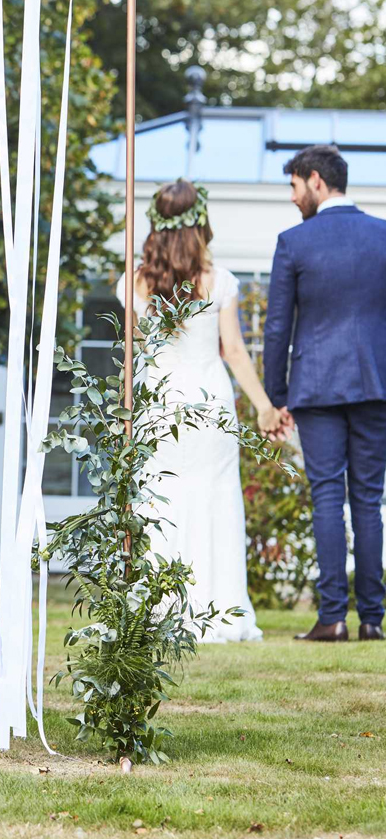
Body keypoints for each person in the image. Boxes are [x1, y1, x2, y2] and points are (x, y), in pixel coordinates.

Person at [117, 179, 280, 642]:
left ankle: (157, 607)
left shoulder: (135, 282)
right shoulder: (219, 280)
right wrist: (264, 407)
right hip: (209, 403)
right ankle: (219, 608)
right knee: (214, 498)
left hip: (159, 403)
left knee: (157, 498)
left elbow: (135, 354)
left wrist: (124, 413)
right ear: (201, 222)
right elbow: (233, 351)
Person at [264, 145, 386, 643]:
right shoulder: (383, 236)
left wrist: (276, 395)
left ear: (316, 180)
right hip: (377, 386)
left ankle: (333, 617)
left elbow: (276, 328)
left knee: (328, 495)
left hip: (315, 387)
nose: (292, 199)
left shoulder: (293, 242)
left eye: (294, 187)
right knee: (369, 499)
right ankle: (373, 620)